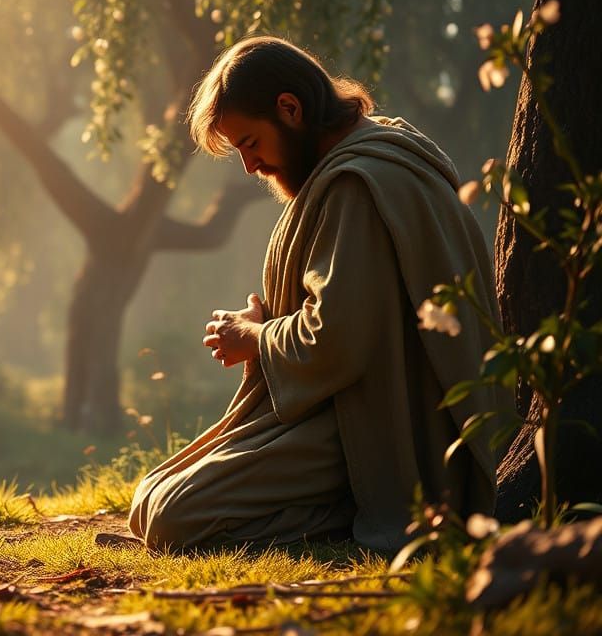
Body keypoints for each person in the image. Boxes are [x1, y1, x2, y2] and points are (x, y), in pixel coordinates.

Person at [127, 36, 510, 552]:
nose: (250, 166)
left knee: (173, 518)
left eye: (249, 143)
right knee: (148, 501)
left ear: (290, 109)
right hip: (340, 407)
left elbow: (335, 339)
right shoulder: (367, 161)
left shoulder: (358, 183)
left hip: (376, 427)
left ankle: (347, 518)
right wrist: (267, 323)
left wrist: (257, 338)